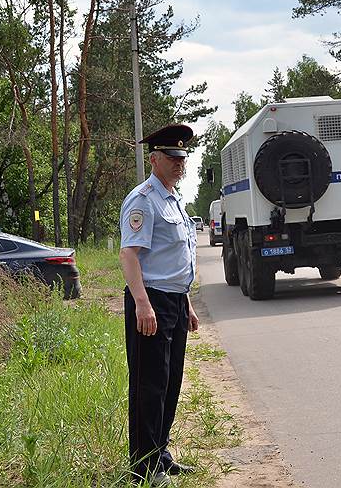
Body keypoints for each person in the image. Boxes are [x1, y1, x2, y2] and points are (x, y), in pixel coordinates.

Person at [119, 124, 200, 486]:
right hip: (151, 302)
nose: (179, 164)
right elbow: (129, 255)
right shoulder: (143, 199)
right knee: (149, 385)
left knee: (170, 382)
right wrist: (142, 304)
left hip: (174, 303)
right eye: (172, 158)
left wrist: (187, 303)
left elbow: (175, 258)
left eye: (182, 158)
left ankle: (160, 453)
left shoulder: (173, 199)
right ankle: (143, 467)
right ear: (154, 160)